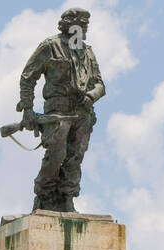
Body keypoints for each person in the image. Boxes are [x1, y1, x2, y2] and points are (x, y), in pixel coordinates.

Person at [15, 8, 106, 212]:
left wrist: (92, 95)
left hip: (83, 114)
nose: (83, 29)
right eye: (80, 25)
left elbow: (100, 84)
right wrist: (28, 109)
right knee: (56, 154)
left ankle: (67, 198)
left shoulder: (88, 52)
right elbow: (28, 78)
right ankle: (44, 196)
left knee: (75, 157)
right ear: (67, 24)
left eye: (85, 26)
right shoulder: (50, 46)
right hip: (57, 113)